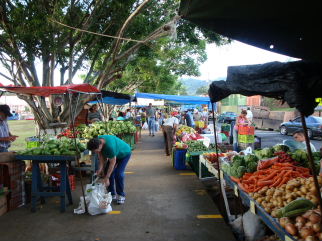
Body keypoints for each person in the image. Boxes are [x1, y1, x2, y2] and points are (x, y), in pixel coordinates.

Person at [87, 135, 131, 204]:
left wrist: (107, 177)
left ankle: (121, 195)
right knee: (107, 172)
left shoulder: (110, 147)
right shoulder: (97, 142)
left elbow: (112, 163)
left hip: (124, 154)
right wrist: (100, 169)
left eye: (96, 150)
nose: (96, 152)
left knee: (118, 174)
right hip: (115, 154)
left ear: (100, 145)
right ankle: (111, 193)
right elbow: (102, 159)